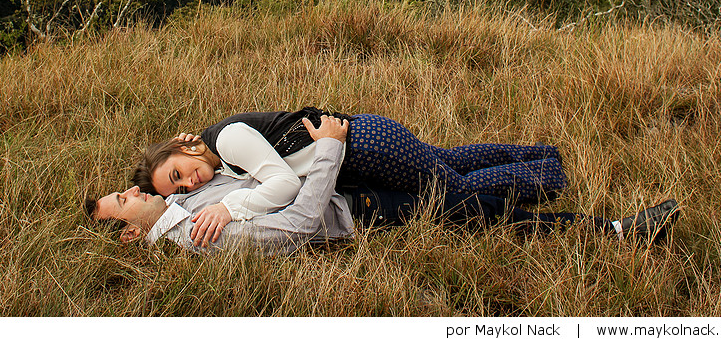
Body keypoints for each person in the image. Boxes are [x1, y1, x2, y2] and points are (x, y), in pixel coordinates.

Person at [89, 116, 680, 253]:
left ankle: (546, 175)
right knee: (468, 203)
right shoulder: (202, 233)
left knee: (459, 191)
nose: (137, 193)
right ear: (127, 234)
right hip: (357, 201)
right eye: (127, 200)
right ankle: (613, 225)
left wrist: (331, 151)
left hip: (351, 163)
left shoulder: (193, 202)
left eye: (132, 188)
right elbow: (296, 221)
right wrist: (330, 150)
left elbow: (260, 185)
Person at [132, 107, 568, 246]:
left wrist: (228, 207)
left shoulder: (226, 141)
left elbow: (283, 184)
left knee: (454, 188)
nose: (191, 185)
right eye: (181, 190)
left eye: (179, 173)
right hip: (359, 145)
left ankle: (547, 179)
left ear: (185, 147)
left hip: (366, 147)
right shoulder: (215, 155)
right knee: (449, 162)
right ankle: (545, 160)